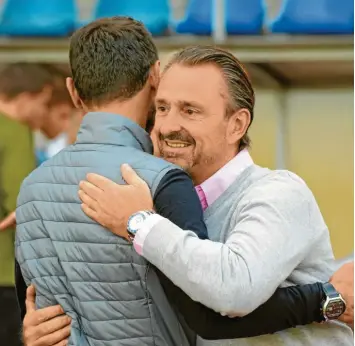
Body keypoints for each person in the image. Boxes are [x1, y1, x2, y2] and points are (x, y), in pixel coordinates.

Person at [16, 33, 353, 346]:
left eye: (190, 111)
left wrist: (137, 222)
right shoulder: (157, 201)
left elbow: (234, 289)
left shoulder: (278, 193)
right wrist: (43, 329)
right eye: (162, 108)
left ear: (237, 124)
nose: (168, 126)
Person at [0, 63, 56, 346]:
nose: (44, 114)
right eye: (43, 103)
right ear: (25, 98)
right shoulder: (15, 132)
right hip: (4, 271)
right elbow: (21, 204)